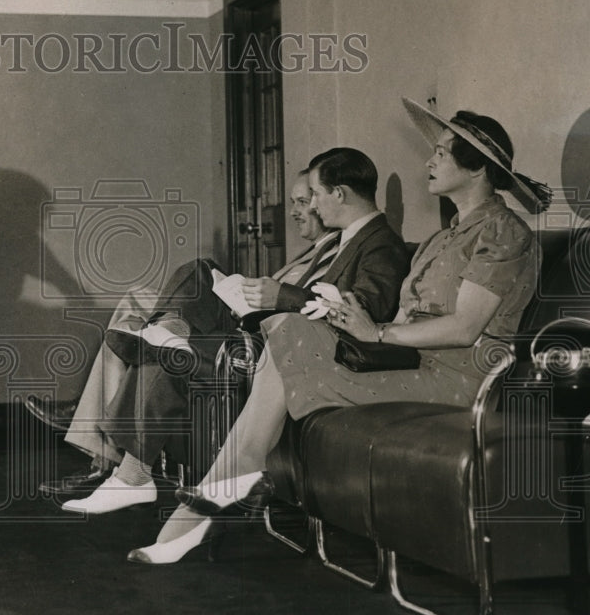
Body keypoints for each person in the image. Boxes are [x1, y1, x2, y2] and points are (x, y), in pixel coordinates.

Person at [127, 106, 550, 564]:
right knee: (294, 329)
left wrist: (377, 331)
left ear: (478, 169)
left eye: (442, 153)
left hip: (460, 382)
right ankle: (230, 478)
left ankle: (216, 494)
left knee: (288, 344)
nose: (429, 161)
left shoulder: (505, 233)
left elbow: (466, 328)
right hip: (413, 364)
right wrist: (350, 322)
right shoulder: (441, 238)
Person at [39, 149, 411, 515]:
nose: (311, 205)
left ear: (339, 193)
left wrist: (282, 296)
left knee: (168, 348)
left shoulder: (381, 242)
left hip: (288, 350)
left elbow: (365, 311)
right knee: (196, 278)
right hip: (271, 335)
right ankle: (166, 339)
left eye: (313, 194)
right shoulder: (348, 238)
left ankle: (133, 474)